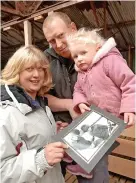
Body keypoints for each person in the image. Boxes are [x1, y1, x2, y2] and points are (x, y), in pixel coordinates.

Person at [42, 12, 112, 183]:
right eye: (52, 40)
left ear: (73, 28)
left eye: (61, 35)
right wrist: (68, 104)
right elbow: (41, 97)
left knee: (95, 179)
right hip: (59, 133)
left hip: (93, 134)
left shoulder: (97, 52)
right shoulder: (45, 60)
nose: (57, 44)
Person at [65, 28, 135, 182]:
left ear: (97, 48)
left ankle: (75, 156)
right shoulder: (82, 73)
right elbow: (78, 90)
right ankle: (79, 161)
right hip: (98, 114)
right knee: (78, 123)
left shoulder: (110, 61)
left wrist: (130, 108)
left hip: (114, 114)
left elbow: (130, 83)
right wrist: (80, 102)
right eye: (75, 56)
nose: (79, 59)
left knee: (92, 133)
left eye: (83, 53)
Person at [0, 45, 68, 183]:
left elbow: (33, 139)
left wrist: (54, 131)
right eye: (29, 69)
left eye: (41, 69)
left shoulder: (41, 104)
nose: (37, 75)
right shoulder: (6, 114)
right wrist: (40, 160)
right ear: (16, 72)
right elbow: (2, 171)